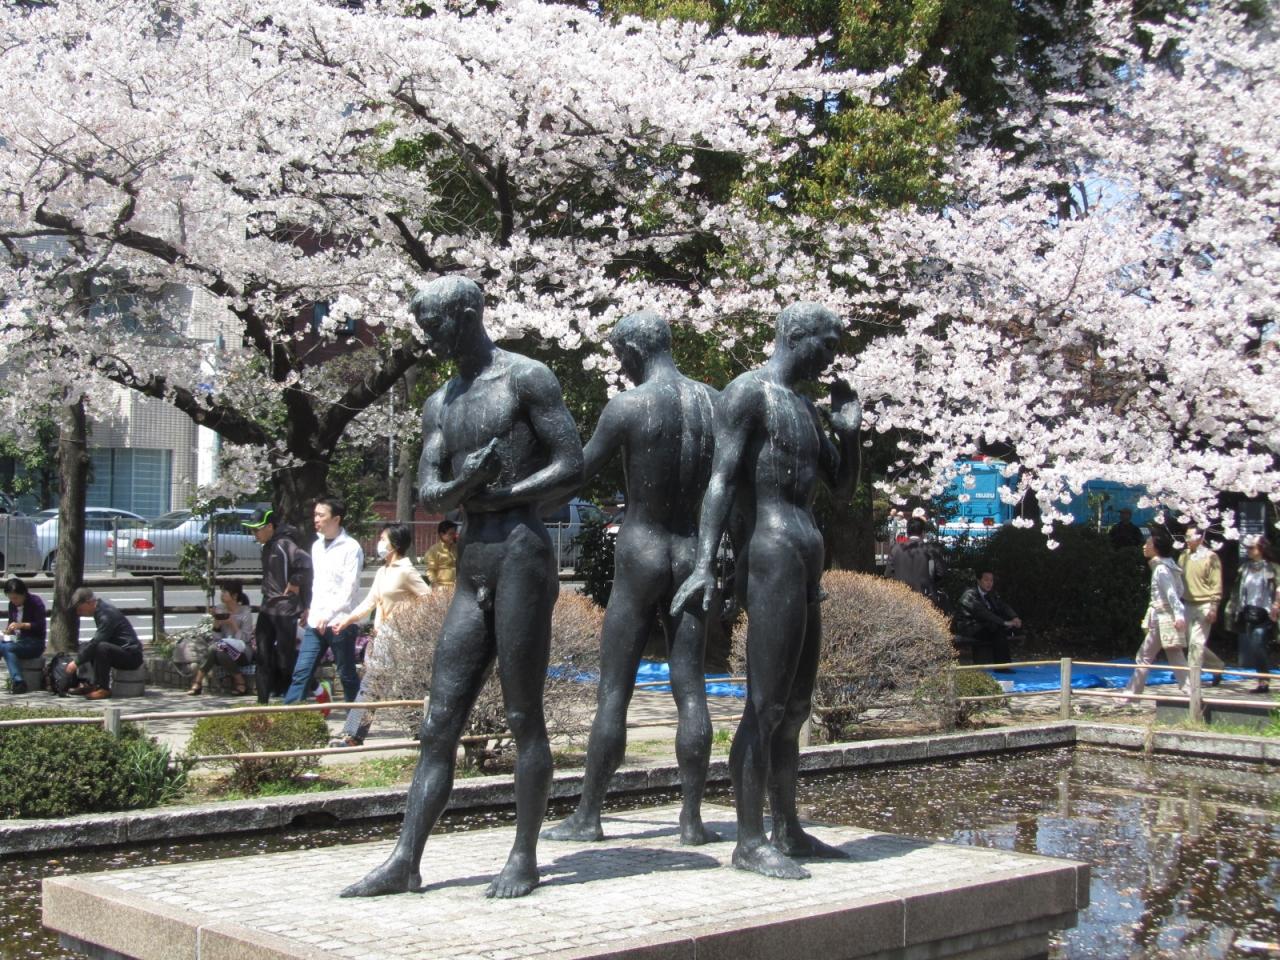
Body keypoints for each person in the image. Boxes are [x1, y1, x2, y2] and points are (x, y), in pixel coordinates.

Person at [343, 275, 583, 901]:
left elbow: (571, 463)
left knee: (523, 713)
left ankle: (524, 855)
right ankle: (405, 859)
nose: (430, 339)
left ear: (470, 315)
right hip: (473, 561)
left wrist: (504, 493)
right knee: (438, 720)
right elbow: (431, 492)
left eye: (437, 326)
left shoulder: (527, 377)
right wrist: (465, 485)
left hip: (522, 553)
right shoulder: (440, 402)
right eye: (424, 327)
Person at [670, 301, 862, 880]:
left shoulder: (803, 407)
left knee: (796, 706)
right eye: (827, 345)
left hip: (806, 557)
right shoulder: (748, 393)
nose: (831, 358)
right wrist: (704, 564)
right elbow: (722, 480)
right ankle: (749, 840)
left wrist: (850, 435)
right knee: (766, 704)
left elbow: (842, 488)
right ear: (797, 336)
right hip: (772, 553)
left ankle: (788, 828)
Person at [543, 310, 720, 847]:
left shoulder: (628, 406)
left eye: (620, 356)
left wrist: (519, 502)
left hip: (641, 548)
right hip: (691, 549)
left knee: (614, 689)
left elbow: (578, 472)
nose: (621, 366)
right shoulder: (714, 402)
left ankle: (589, 814)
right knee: (691, 688)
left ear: (635, 352)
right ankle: (692, 820)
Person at [329, 523, 431, 746]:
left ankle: (419, 733)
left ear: (395, 544)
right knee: (384, 685)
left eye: (383, 539)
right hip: (383, 637)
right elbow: (370, 601)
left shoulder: (406, 570)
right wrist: (347, 620)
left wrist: (409, 619)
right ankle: (356, 734)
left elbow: (428, 598)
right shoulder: (383, 571)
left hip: (401, 639)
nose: (379, 543)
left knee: (393, 685)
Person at [284, 497, 364, 705]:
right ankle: (288, 717)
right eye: (315, 514)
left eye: (321, 515)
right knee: (302, 671)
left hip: (340, 622)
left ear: (336, 519)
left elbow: (349, 588)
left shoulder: (351, 547)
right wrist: (310, 609)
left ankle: (356, 721)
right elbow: (318, 584)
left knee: (346, 674)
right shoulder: (316, 546)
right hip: (316, 621)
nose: (316, 519)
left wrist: (328, 615)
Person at [243, 508, 313, 704]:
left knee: (285, 660)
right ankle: (261, 705)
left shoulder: (284, 544)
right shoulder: (267, 546)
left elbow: (307, 564)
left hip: (284, 610)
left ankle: (312, 689)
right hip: (267, 608)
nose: (254, 534)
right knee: (262, 656)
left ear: (269, 527)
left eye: (256, 530)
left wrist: (296, 582)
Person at [1125, 534, 1188, 698]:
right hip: (1167, 617)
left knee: (1144, 656)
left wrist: (1178, 614)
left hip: (1162, 617)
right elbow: (1180, 590)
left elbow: (1171, 593)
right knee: (1175, 655)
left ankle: (1132, 693)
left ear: (1156, 548)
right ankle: (1190, 690)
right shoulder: (1170, 566)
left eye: (1148, 544)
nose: (1144, 546)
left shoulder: (1161, 569)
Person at [66, 587, 143, 700]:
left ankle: (103, 688)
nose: (78, 613)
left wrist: (76, 662)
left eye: (80, 609)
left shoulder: (106, 614)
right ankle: (90, 684)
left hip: (131, 655)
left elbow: (98, 641)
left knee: (101, 647)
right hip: (119, 651)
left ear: (89, 602)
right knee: (85, 646)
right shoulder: (99, 611)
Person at [1225, 535, 1279, 694]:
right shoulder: (1245, 568)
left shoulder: (1272, 567)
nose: (1248, 550)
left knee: (1257, 642)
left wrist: (1276, 605)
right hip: (1249, 611)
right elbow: (1239, 589)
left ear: (1261, 549)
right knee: (1255, 646)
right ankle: (1262, 680)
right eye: (1247, 547)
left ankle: (1264, 680)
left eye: (1252, 547)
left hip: (1266, 612)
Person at [1178, 526, 1227, 688]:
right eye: (1186, 536)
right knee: (1190, 642)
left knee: (1196, 643)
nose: (1186, 540)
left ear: (1200, 538)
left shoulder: (1211, 557)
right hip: (1187, 604)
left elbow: (1216, 584)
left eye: (1189, 537)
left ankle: (1193, 681)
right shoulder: (1184, 555)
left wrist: (1214, 607)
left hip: (1205, 603)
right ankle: (1217, 666)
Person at [187, 580, 254, 696]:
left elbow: (245, 639)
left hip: (242, 652)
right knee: (218, 650)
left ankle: (198, 682)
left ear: (234, 596)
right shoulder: (220, 609)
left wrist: (232, 624)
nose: (221, 595)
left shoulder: (245, 613)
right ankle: (240, 682)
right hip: (222, 649)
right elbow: (217, 639)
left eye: (225, 592)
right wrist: (217, 624)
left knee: (215, 649)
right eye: (221, 592)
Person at [954, 571, 1022, 668]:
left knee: (1005, 630)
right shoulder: (969, 595)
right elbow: (984, 613)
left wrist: (1014, 617)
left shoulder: (991, 594)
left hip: (986, 625)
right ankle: (1003, 667)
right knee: (998, 631)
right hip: (970, 627)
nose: (989, 583)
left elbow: (1003, 606)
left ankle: (1003, 665)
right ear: (979, 581)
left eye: (991, 580)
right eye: (986, 580)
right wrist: (1004, 623)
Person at [886, 517, 946, 603]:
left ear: (907, 532)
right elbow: (941, 573)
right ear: (923, 532)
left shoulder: (895, 549)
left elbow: (888, 573)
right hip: (925, 597)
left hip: (900, 597)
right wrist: (930, 583)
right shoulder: (931, 550)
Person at [2, 578, 46, 694]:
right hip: (18, 641)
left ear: (24, 594)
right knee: (3, 645)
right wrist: (7, 632)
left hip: (35, 643)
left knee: (7, 648)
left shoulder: (35, 602)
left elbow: (40, 625)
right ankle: (18, 681)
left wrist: (22, 625)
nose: (13, 601)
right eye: (10, 598)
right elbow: (11, 625)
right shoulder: (12, 605)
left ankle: (19, 682)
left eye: (16, 598)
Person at [423, 519, 459, 588]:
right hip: (440, 587)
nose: (453, 536)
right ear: (442, 534)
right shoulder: (434, 550)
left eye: (454, 533)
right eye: (450, 534)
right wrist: (435, 585)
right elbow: (430, 570)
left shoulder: (456, 548)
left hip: (456, 587)